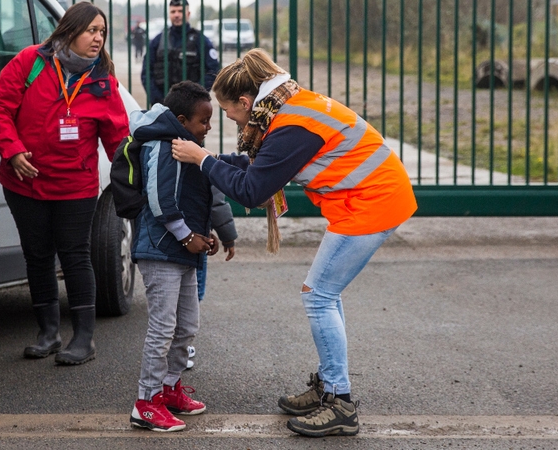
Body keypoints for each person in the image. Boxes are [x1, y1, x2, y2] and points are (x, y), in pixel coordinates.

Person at [171, 48, 418, 437]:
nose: (231, 121)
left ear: (245, 102)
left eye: (230, 113)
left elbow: (252, 190)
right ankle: (328, 385)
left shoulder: (290, 126)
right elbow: (258, 166)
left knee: (318, 295)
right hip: (370, 198)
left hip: (372, 203)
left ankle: (340, 402)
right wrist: (212, 159)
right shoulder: (288, 107)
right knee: (324, 295)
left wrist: (203, 159)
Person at [0, 2, 129, 365]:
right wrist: (13, 150)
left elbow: (118, 139)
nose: (98, 38)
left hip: (75, 186)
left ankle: (84, 339)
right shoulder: (30, 61)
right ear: (69, 31)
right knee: (37, 255)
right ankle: (48, 333)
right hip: (24, 181)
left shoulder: (102, 81)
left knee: (75, 255)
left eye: (102, 32)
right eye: (91, 31)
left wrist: (134, 178)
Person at [128, 81, 217, 432]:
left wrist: (202, 235)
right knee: (163, 328)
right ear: (182, 120)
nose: (208, 128)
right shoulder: (163, 146)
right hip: (161, 250)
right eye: (203, 122)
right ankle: (146, 402)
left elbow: (194, 196)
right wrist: (187, 236)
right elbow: (160, 199)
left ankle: (169, 388)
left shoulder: (188, 145)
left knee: (186, 326)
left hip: (182, 251)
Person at [186, 185, 236, 370]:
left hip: (172, 233)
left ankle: (179, 347)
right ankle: (181, 347)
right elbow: (216, 202)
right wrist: (228, 238)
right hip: (196, 237)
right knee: (190, 296)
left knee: (173, 300)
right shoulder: (201, 159)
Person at [141, 0, 219, 106]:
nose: (176, 15)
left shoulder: (200, 40)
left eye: (180, 11)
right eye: (173, 12)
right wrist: (157, 99)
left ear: (188, 14)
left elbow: (213, 70)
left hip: (191, 106)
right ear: (169, 14)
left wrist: (196, 97)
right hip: (162, 104)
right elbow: (146, 73)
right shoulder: (158, 41)